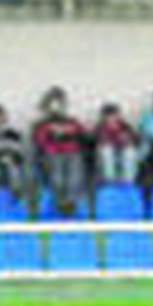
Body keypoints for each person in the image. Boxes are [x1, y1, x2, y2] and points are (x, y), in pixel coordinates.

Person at [31, 87, 89, 218]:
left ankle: (71, 202)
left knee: (75, 174)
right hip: (52, 154)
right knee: (57, 176)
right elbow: (40, 142)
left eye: (60, 104)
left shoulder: (72, 121)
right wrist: (52, 133)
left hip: (73, 153)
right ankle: (61, 202)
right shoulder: (41, 124)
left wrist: (67, 132)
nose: (57, 108)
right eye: (54, 104)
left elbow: (83, 135)